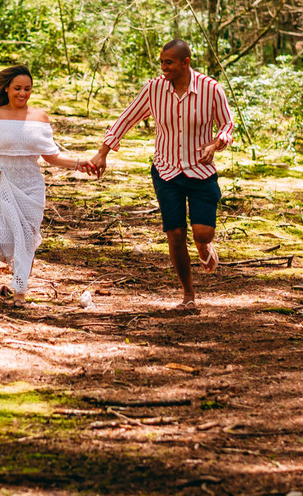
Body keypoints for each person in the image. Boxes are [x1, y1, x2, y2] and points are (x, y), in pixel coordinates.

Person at [87, 40, 233, 312]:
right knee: (175, 234)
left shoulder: (211, 89)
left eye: (169, 62)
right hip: (166, 171)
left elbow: (227, 124)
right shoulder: (154, 89)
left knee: (202, 233)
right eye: (162, 62)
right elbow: (126, 119)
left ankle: (203, 247)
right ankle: (188, 295)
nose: (163, 67)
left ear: (185, 62)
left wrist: (216, 144)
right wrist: (102, 153)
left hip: (200, 170)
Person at [0, 66, 91, 305]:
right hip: (2, 181)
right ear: (7, 89)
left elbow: (51, 156)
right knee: (10, 235)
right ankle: (19, 280)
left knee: (27, 236)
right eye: (17, 88)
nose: (22, 93)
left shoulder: (40, 117)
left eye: (27, 89)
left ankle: (20, 290)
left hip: (31, 185)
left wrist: (79, 163)